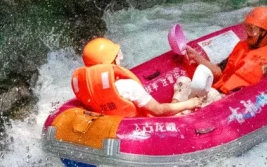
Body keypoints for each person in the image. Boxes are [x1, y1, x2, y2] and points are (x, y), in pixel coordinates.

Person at [71, 38, 202, 118]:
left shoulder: (86, 89)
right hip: (145, 126)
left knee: (183, 82)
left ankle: (179, 96)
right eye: (117, 55)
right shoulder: (127, 86)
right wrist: (189, 104)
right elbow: (159, 111)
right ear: (112, 60)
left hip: (115, 127)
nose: (120, 58)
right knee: (191, 86)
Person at [181, 7, 267, 99]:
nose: (248, 33)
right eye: (247, 27)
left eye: (253, 30)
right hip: (218, 92)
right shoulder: (241, 47)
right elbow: (219, 71)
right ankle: (175, 112)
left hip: (236, 98)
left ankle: (179, 111)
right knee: (184, 82)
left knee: (211, 95)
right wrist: (196, 56)